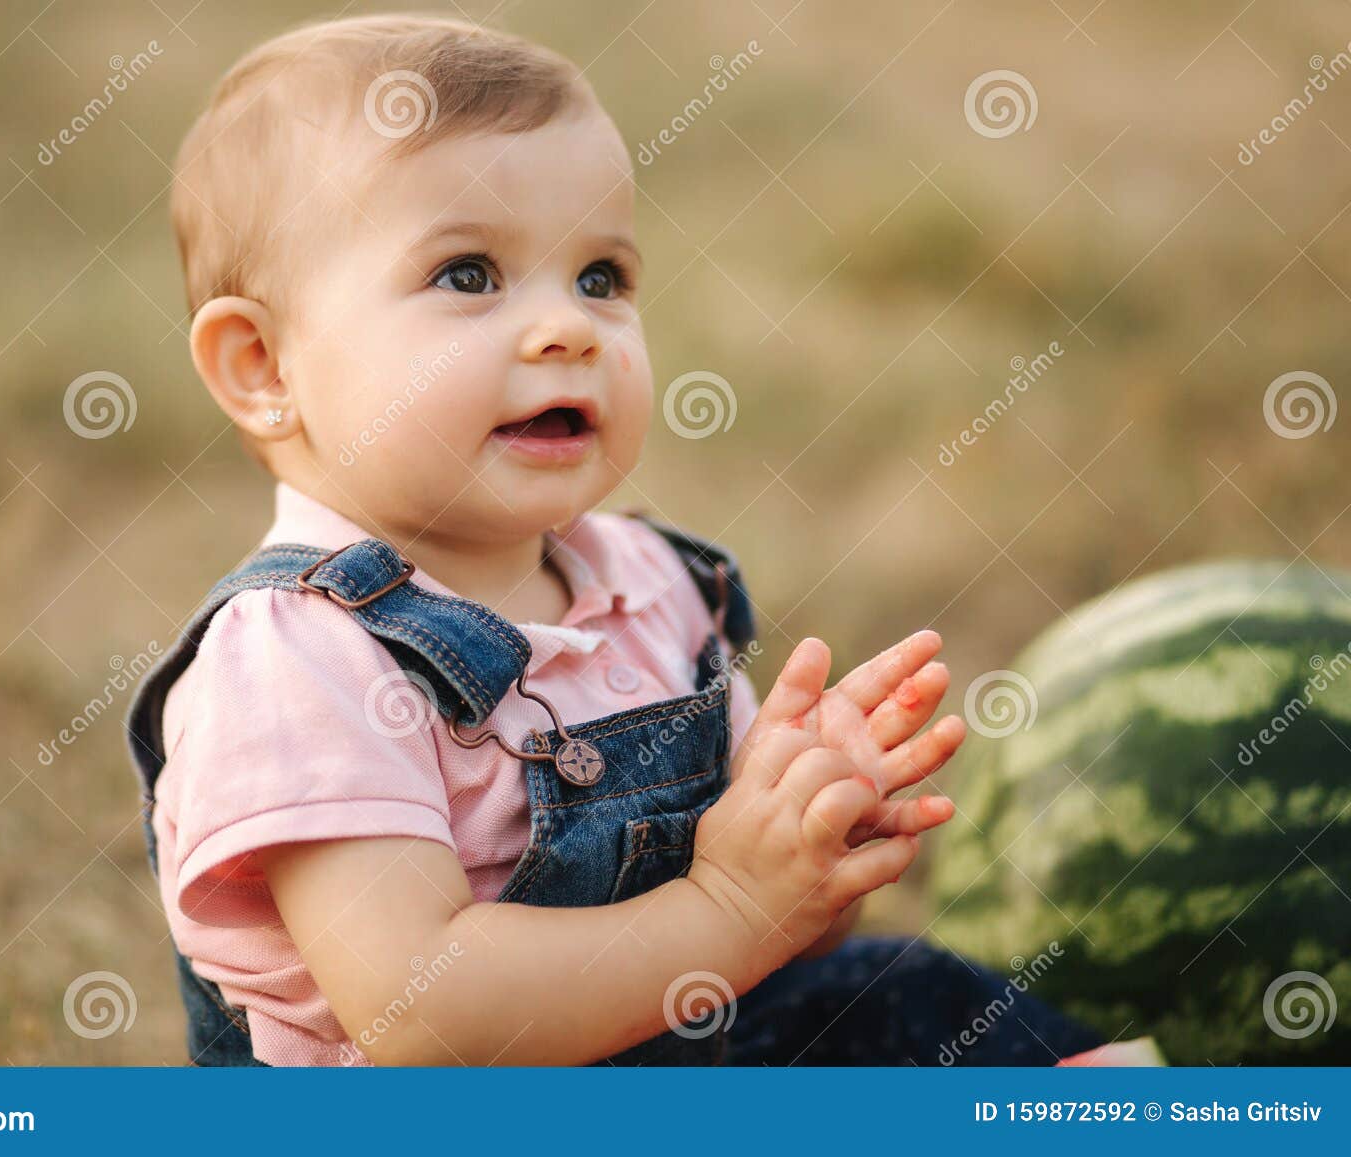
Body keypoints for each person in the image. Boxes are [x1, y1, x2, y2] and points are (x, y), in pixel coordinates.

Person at [124, 13, 1105, 1067]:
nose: (568, 327)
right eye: (467, 274)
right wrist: (729, 904)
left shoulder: (648, 584)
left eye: (600, 277)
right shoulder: (294, 660)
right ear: (261, 365)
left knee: (913, 993)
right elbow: (425, 1015)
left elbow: (764, 947)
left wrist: (802, 855)